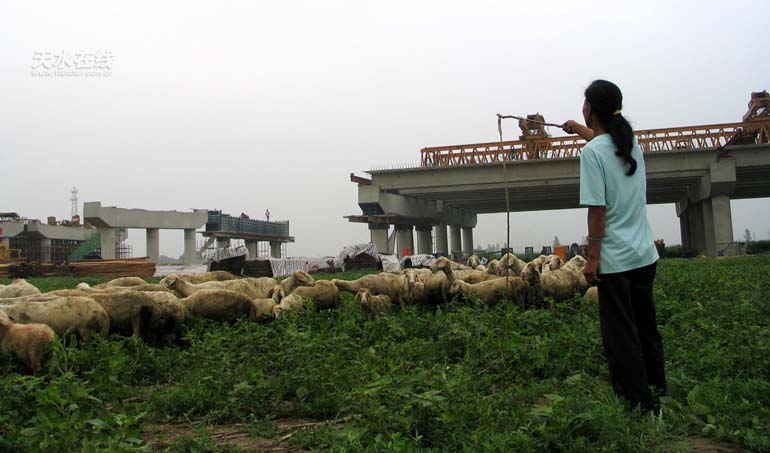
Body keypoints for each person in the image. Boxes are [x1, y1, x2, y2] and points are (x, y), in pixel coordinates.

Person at [562, 80, 666, 413]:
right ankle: (656, 387)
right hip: (644, 256)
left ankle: (637, 402)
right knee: (645, 326)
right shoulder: (631, 144)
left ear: (591, 108)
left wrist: (591, 260)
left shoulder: (592, 154)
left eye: (584, 105)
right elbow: (606, 143)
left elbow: (597, 212)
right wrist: (580, 129)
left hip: (616, 262)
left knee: (621, 334)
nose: (582, 109)